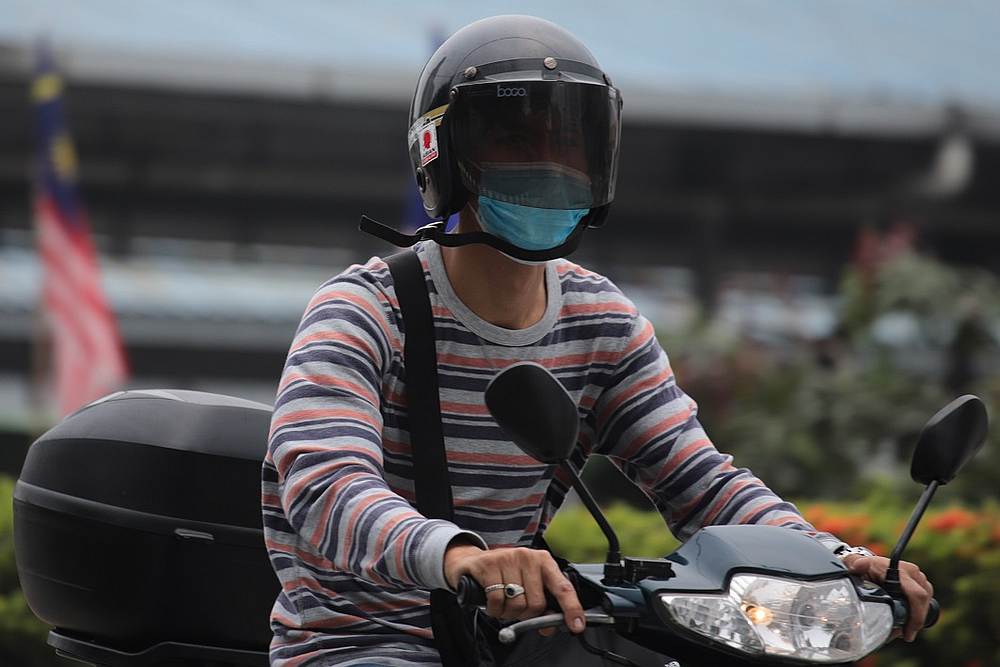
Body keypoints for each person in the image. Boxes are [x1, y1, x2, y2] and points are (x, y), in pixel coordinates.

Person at [261, 15, 934, 667]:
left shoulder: (601, 323)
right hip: (358, 645)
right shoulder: (362, 311)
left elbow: (701, 482)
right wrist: (460, 554)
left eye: (570, 144)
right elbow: (328, 485)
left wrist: (833, 556)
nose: (550, 163)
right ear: (445, 152)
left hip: (516, 641)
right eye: (514, 141)